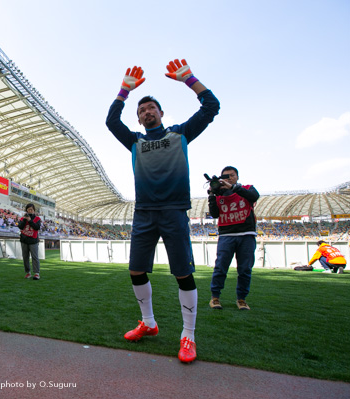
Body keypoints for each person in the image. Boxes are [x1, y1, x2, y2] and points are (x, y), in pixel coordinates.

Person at [105, 59, 220, 363]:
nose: (146, 112)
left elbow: (211, 106)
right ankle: (149, 323)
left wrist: (189, 79)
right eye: (141, 110)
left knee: (183, 273)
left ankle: (188, 336)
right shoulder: (134, 142)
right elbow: (111, 122)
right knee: (136, 270)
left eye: (151, 107)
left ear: (161, 113)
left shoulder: (179, 135)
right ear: (139, 119)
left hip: (173, 212)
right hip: (143, 213)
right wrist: (123, 91)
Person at [208, 166, 260, 311]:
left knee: (245, 270)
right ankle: (215, 297)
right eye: (225, 176)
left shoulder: (248, 188)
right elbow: (214, 214)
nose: (228, 178)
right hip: (226, 235)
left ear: (237, 177)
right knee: (220, 268)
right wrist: (212, 195)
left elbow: (254, 197)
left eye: (231, 175)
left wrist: (233, 187)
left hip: (246, 235)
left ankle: (242, 299)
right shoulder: (219, 194)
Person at [18, 203, 42, 280]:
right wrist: (25, 220)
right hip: (24, 240)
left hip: (33, 240)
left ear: (34, 210)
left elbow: (37, 227)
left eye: (31, 209)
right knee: (25, 257)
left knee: (35, 257)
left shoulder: (37, 219)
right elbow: (20, 226)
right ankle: (28, 272)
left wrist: (30, 221)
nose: (30, 211)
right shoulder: (22, 218)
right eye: (28, 209)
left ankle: (36, 273)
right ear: (26, 210)